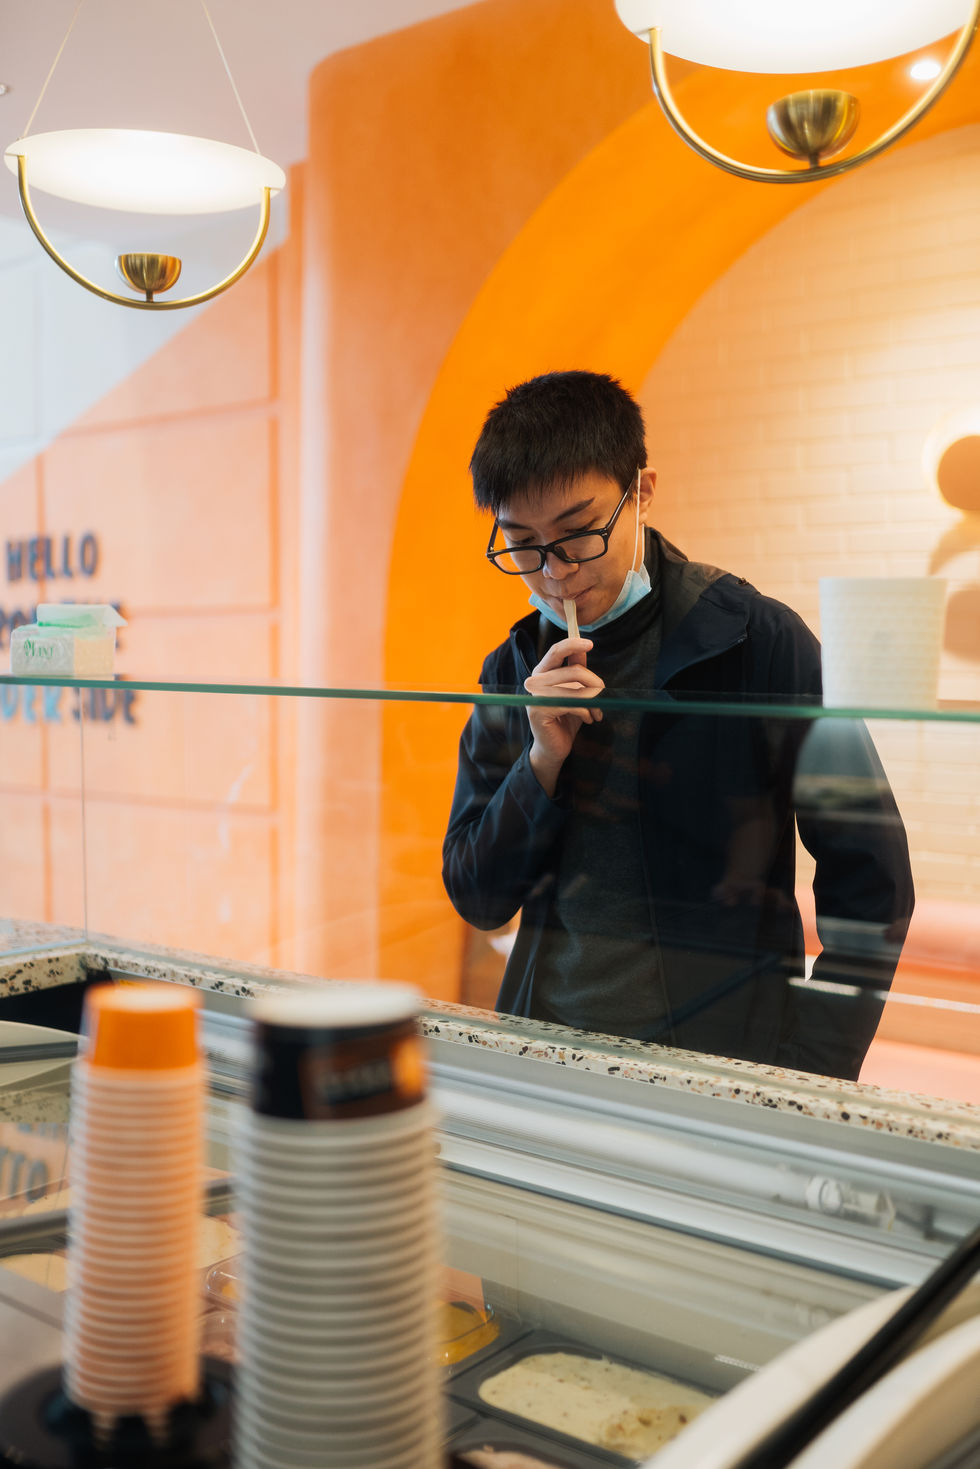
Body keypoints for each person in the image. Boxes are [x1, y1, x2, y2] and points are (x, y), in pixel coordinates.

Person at [442, 371, 914, 1081]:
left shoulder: (757, 641)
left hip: (720, 1064)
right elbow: (477, 896)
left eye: (578, 532)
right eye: (524, 545)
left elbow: (872, 875)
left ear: (641, 492)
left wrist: (811, 1066)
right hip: (547, 1051)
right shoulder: (514, 666)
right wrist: (540, 763)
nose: (556, 572)